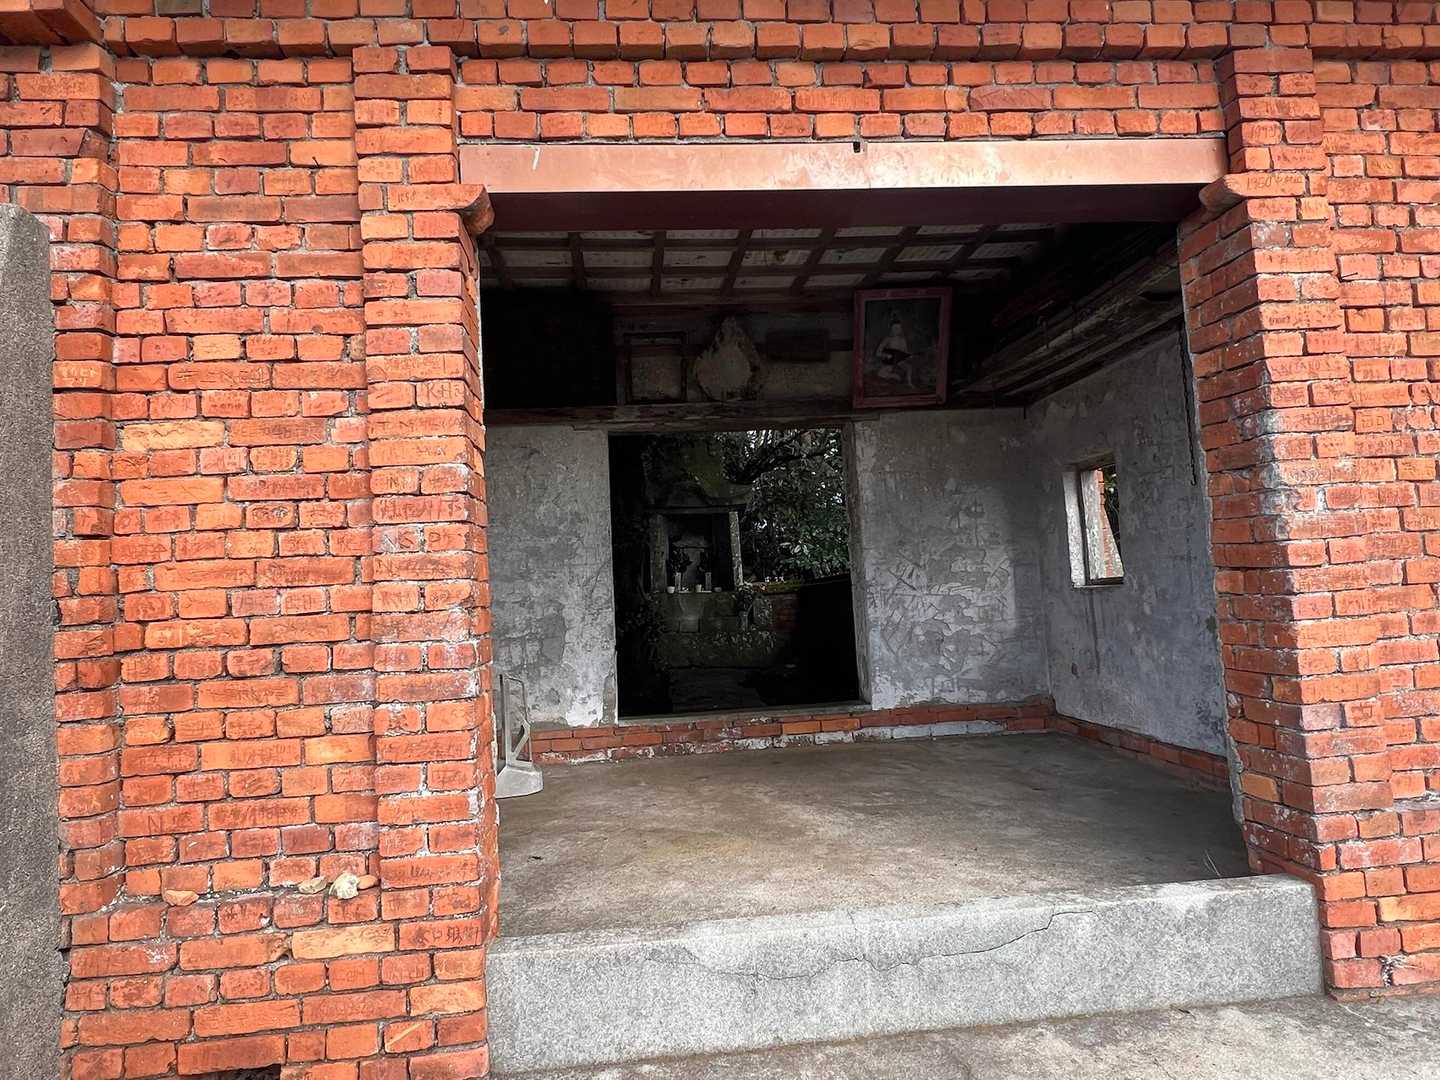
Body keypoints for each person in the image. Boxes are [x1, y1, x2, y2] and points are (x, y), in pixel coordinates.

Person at [872, 315, 916, 389]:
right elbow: (877, 353)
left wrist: (908, 356)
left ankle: (909, 383)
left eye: (898, 328)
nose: (897, 330)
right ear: (891, 329)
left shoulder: (903, 340)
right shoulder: (887, 339)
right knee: (880, 374)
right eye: (895, 328)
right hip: (890, 361)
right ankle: (894, 376)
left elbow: (905, 352)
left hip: (899, 361)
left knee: (909, 368)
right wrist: (886, 355)